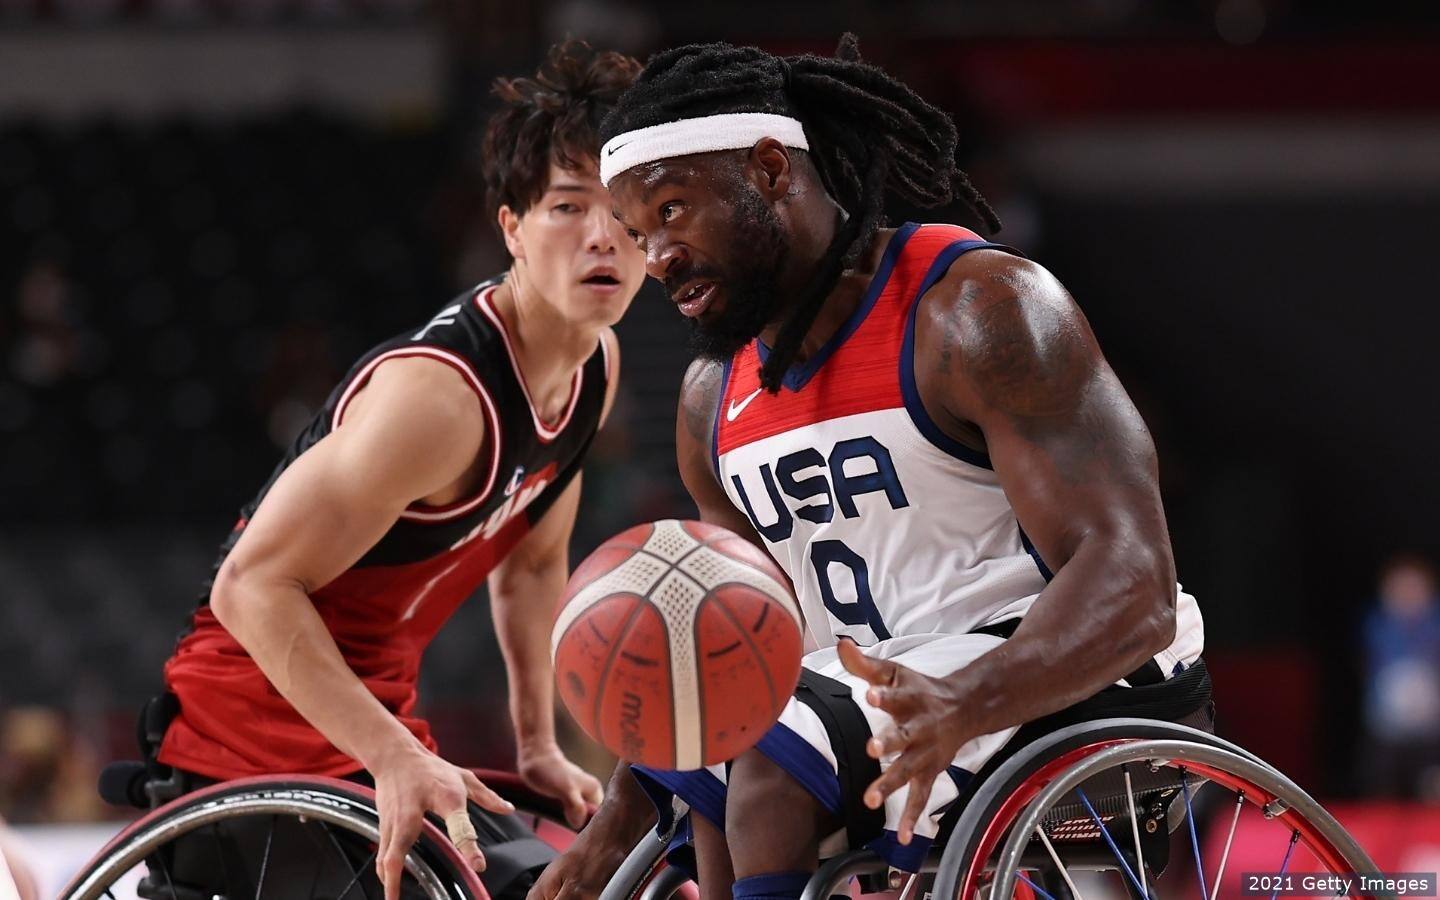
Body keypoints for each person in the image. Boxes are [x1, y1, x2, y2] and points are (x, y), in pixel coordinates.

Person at [532, 35, 1210, 900]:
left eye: (671, 211)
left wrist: (967, 699)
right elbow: (723, 649)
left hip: (1093, 688)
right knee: (712, 762)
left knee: (768, 764)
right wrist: (608, 836)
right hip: (880, 702)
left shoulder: (977, 311)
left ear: (773, 171)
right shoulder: (712, 399)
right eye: (636, 232)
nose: (653, 257)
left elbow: (1137, 584)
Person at [132, 40, 646, 900]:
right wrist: (396, 755)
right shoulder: (438, 399)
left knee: (572, 885)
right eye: (567, 207)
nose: (603, 236)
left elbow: (530, 565)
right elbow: (248, 587)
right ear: (511, 229)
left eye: (626, 210)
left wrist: (537, 744)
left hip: (367, 746)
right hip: (239, 750)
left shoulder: (597, 366)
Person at [1360, 554, 1440, 799]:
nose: (1407, 594)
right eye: (1399, 587)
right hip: (1387, 729)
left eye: (1413, 587)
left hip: (1431, 730)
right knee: (1381, 787)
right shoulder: (1376, 626)